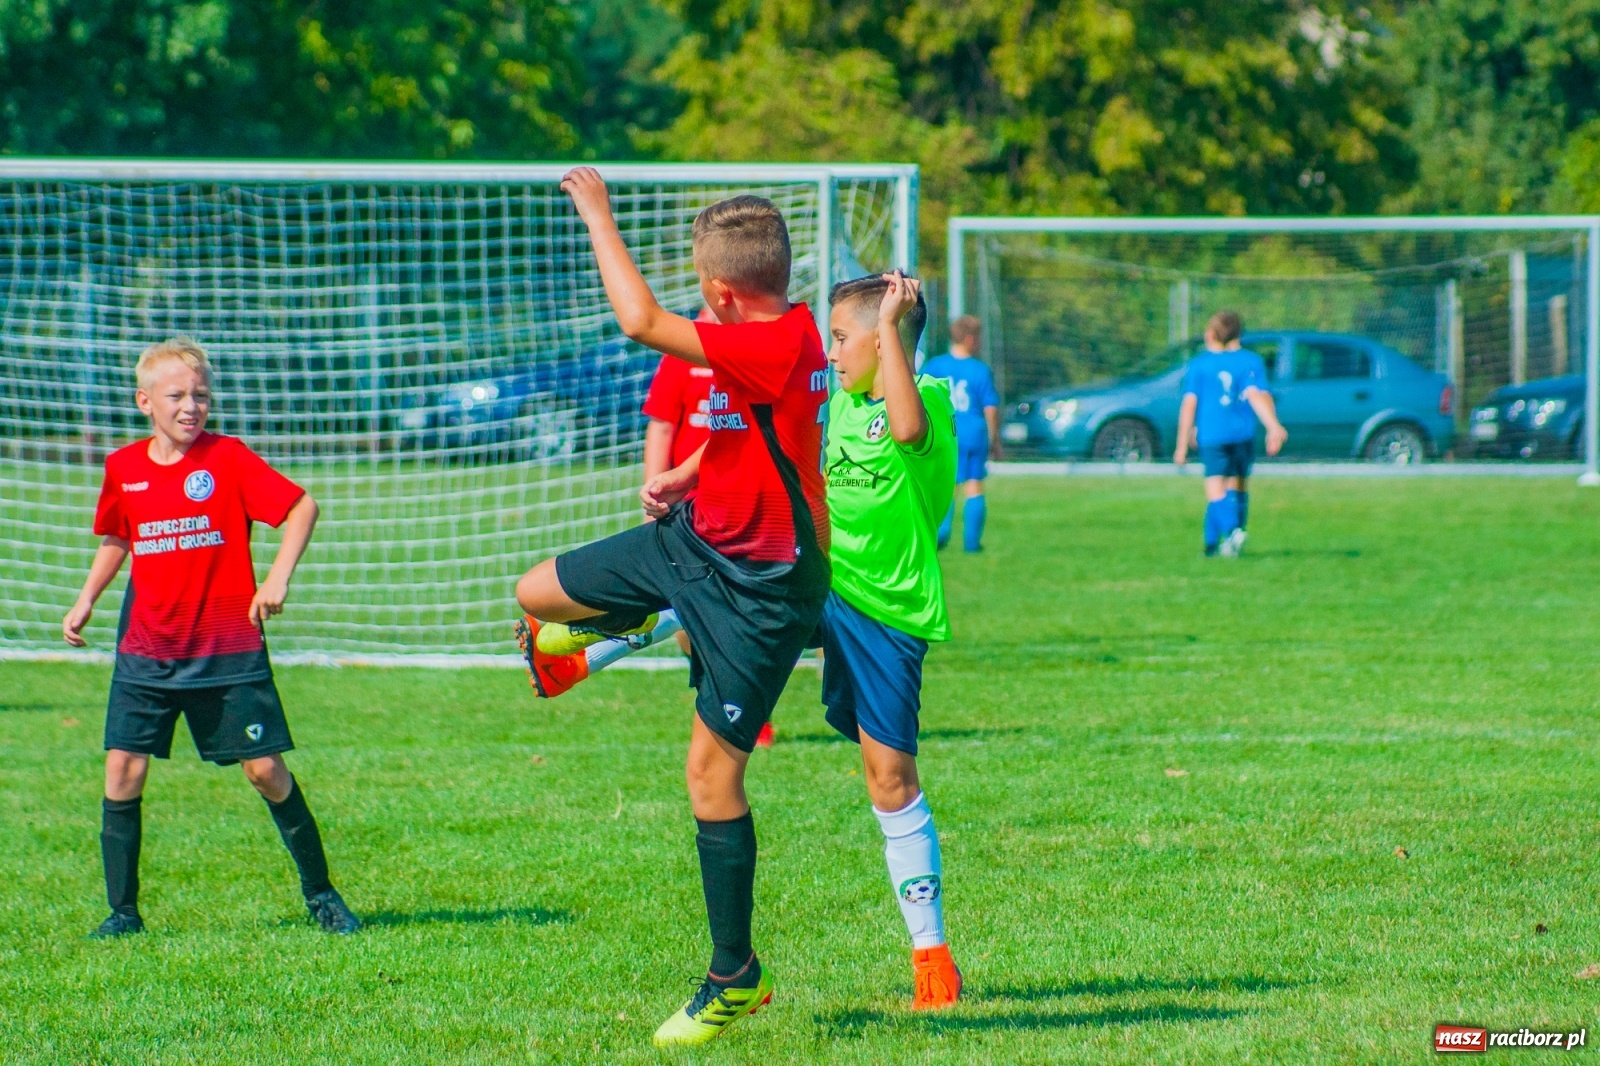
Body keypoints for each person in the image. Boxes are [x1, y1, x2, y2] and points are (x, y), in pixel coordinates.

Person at [513, 169, 830, 1046]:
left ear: (723, 293)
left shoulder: (775, 343)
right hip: (696, 538)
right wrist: (687, 474)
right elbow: (757, 430)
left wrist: (598, 216)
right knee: (534, 596)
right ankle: (642, 626)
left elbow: (638, 321)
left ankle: (735, 976)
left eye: (703, 289)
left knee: (710, 776)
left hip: (763, 590)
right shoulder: (775, 333)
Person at [62, 338, 359, 939]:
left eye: (201, 395)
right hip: (146, 648)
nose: (192, 406)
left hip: (226, 649)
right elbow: (119, 537)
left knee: (264, 771)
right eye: (177, 396)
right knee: (122, 769)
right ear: (145, 401)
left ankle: (322, 895)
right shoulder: (123, 468)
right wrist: (87, 597)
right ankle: (123, 914)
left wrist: (277, 576)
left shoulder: (229, 459)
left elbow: (302, 506)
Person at [819, 270, 963, 1009]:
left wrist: (893, 328)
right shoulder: (838, 407)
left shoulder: (928, 398)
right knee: (725, 582)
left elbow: (904, 429)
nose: (832, 352)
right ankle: (592, 647)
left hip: (888, 615)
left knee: (888, 779)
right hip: (826, 587)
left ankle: (932, 956)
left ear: (885, 339)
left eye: (843, 337)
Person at [641, 316, 776, 748]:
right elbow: (662, 424)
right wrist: (655, 490)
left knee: (742, 610)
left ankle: (750, 708)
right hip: (687, 505)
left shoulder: (756, 346)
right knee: (685, 611)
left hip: (743, 502)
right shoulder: (681, 350)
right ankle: (715, 685)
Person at [1172, 311, 1289, 556]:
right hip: (1242, 433)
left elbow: (1189, 404)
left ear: (1211, 334)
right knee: (1237, 488)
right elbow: (1259, 395)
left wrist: (1182, 444)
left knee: (1215, 490)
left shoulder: (1199, 364)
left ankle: (1233, 532)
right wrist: (1273, 425)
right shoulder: (1250, 361)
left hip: (1213, 434)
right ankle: (1213, 545)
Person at [920, 315, 1001, 552]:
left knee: (947, 485)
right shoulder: (980, 370)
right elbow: (990, 408)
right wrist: (994, 439)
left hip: (946, 434)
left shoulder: (935, 366)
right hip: (974, 435)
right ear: (969, 339)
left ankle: (942, 534)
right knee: (974, 485)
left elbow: (921, 396)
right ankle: (971, 543)